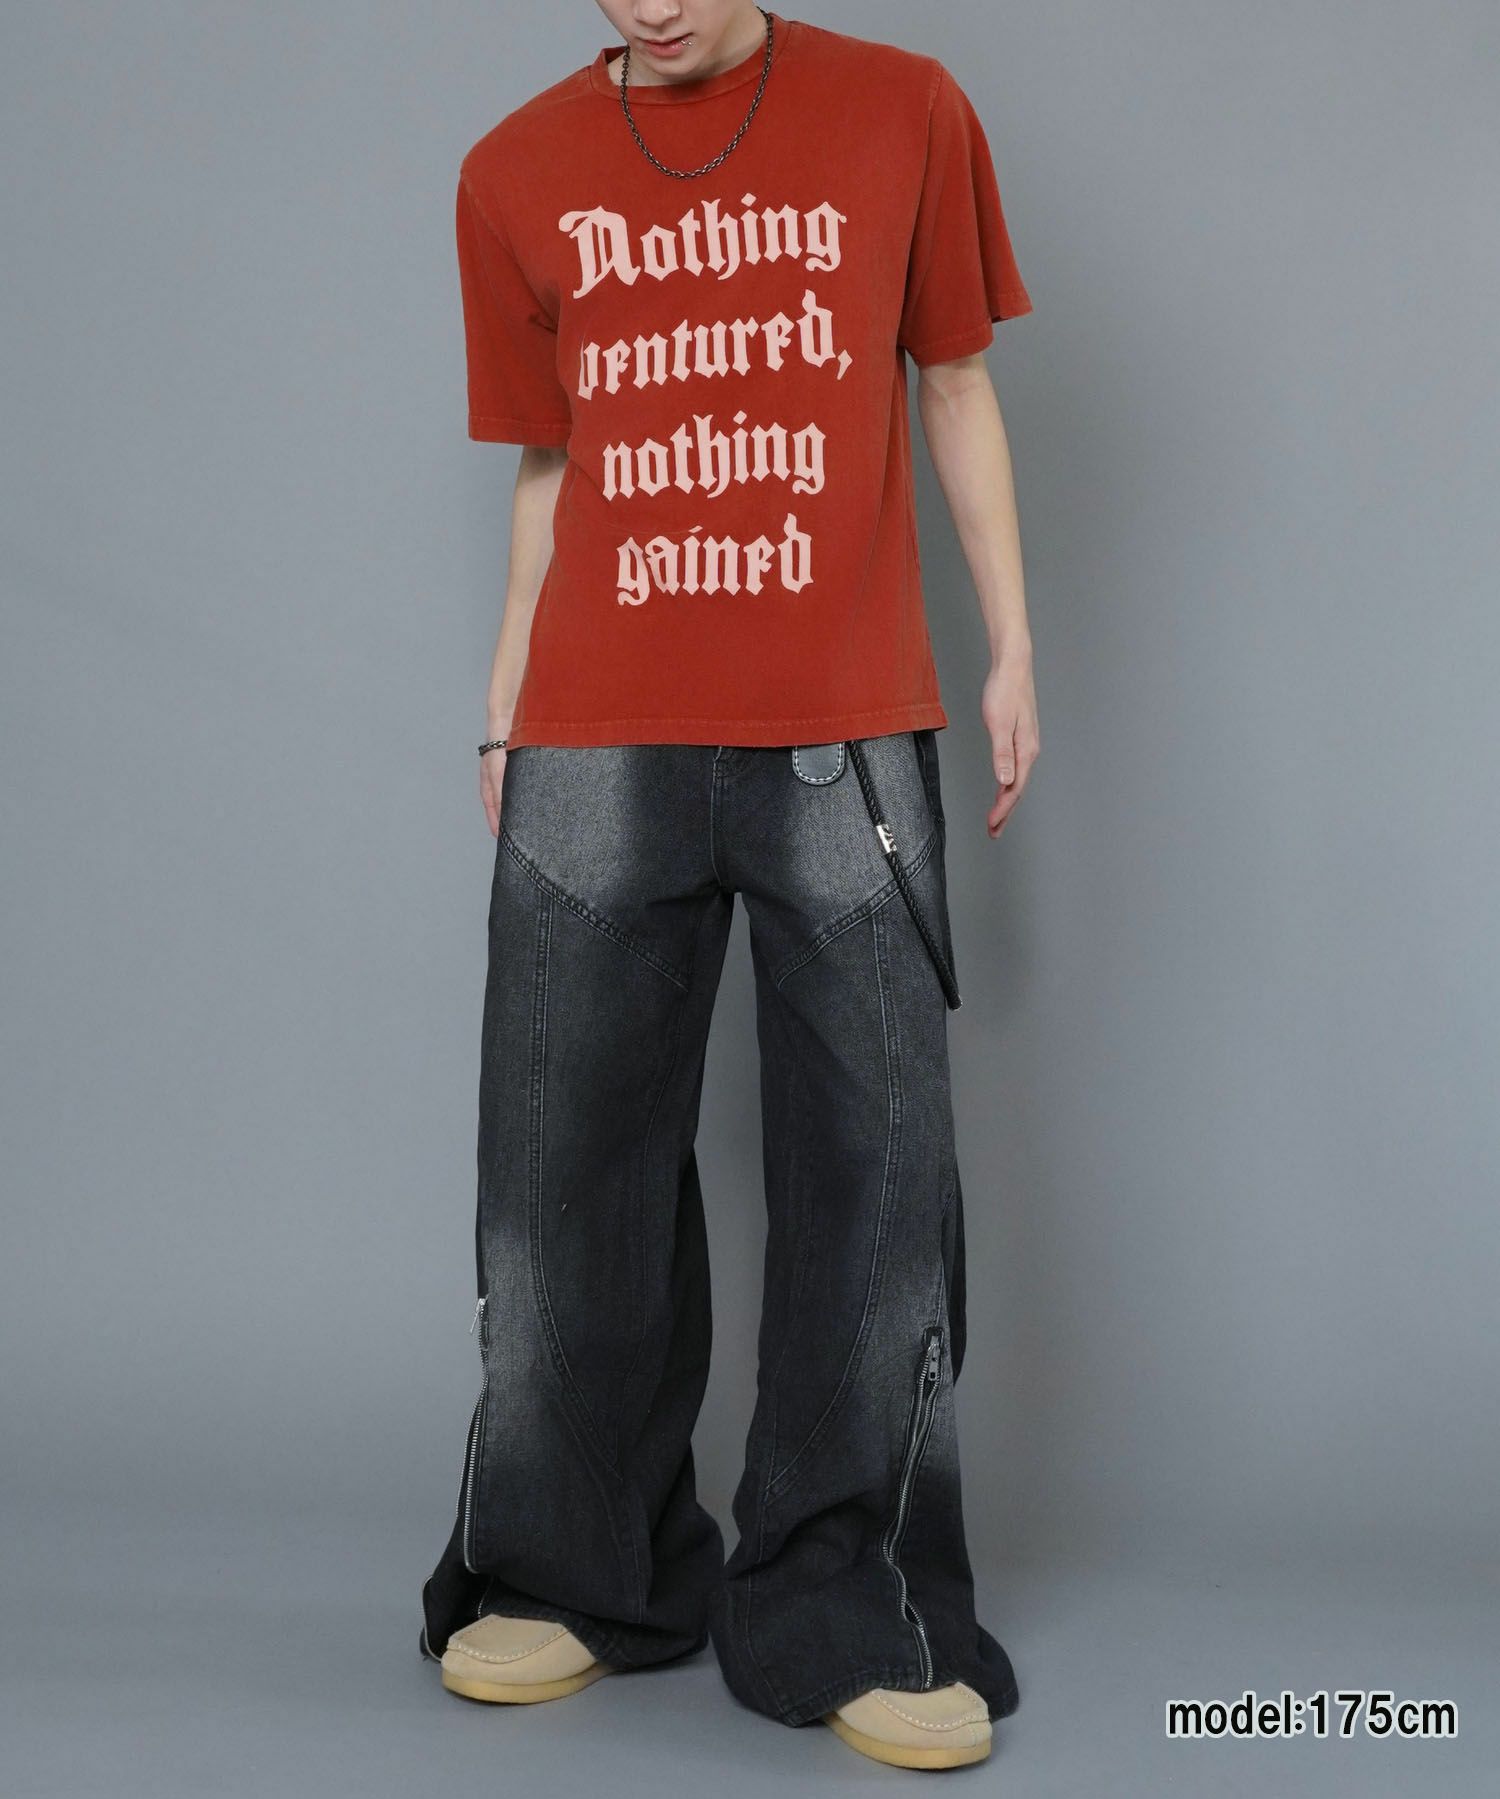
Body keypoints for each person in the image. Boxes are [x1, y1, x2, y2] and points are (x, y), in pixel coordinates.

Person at [419, 1, 1039, 1771]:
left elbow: (955, 378)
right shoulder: (514, 170)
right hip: (597, 723)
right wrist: (506, 694)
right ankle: (576, 1568)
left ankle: (850, 1596)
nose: (651, 6)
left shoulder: (905, 112)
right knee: (561, 1166)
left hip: (843, 725)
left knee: (876, 1173)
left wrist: (1013, 647)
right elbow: (556, 461)